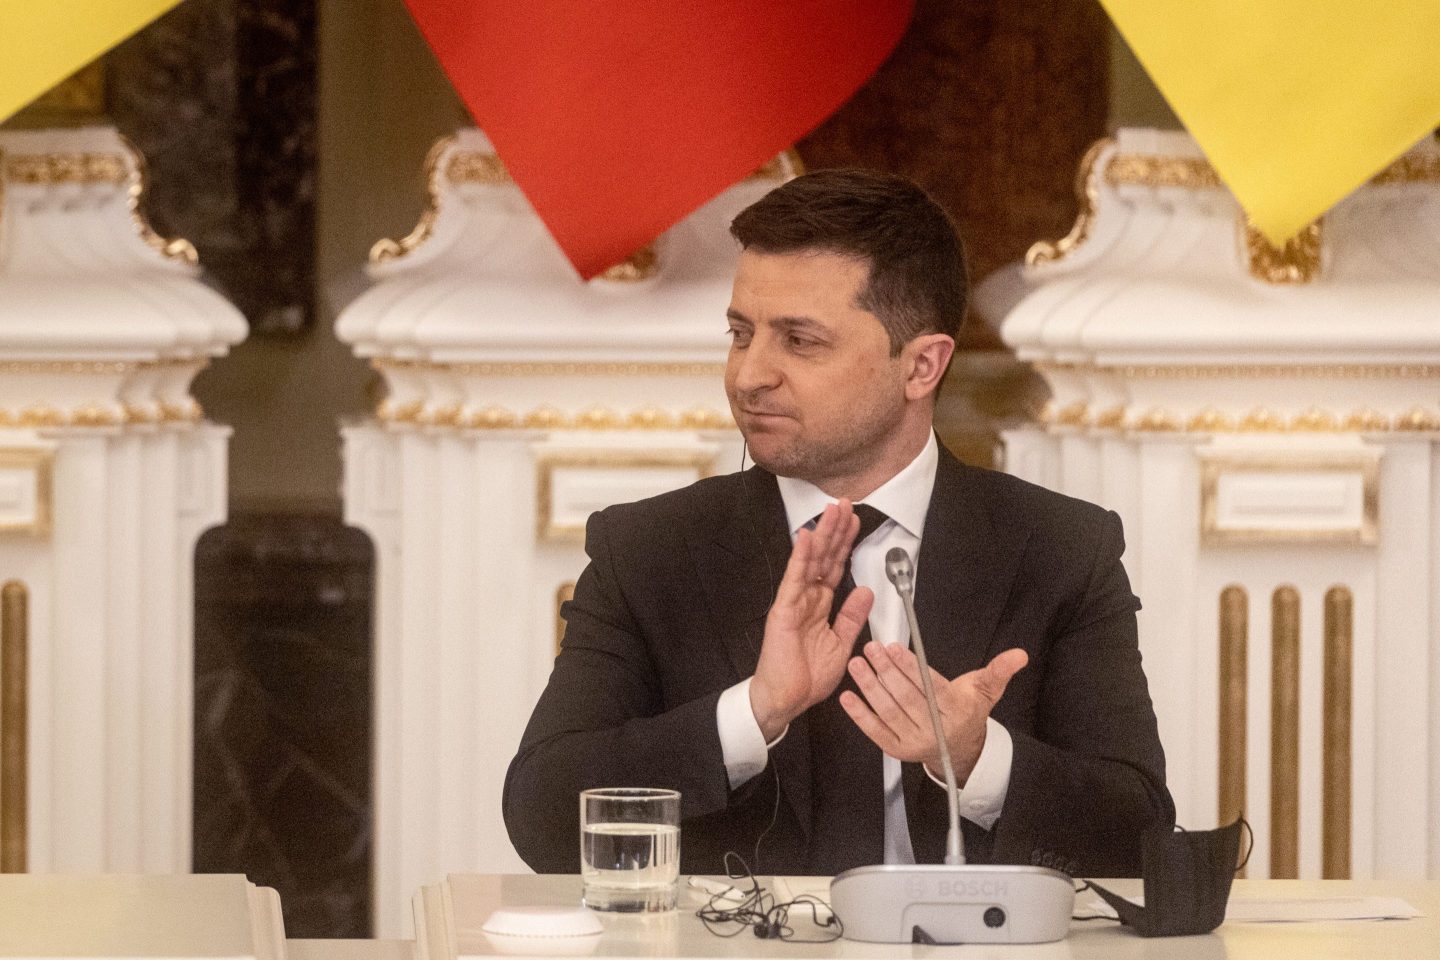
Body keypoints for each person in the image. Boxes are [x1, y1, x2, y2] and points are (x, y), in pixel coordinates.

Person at [503, 169, 1173, 878]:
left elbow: (1139, 833)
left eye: (799, 341)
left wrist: (978, 755)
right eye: (740, 333)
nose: (747, 375)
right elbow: (541, 816)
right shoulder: (648, 552)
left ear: (921, 367)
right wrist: (753, 712)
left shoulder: (1061, 550)